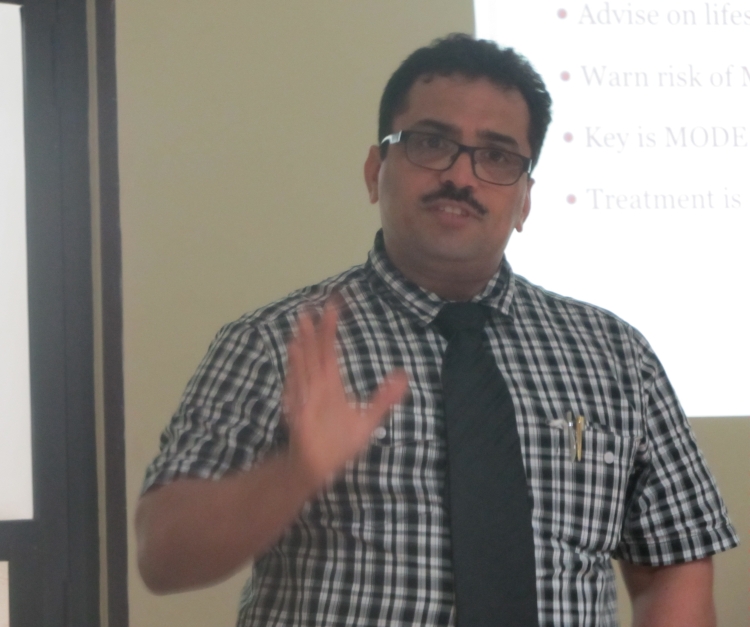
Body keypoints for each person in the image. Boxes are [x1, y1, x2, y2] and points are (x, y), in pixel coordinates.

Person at [136, 34, 738, 626]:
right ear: (375, 171)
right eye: (431, 143)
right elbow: (164, 555)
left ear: (525, 200)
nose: (462, 176)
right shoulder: (277, 342)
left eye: (497, 156)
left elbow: (675, 563)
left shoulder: (617, 356)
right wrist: (293, 475)